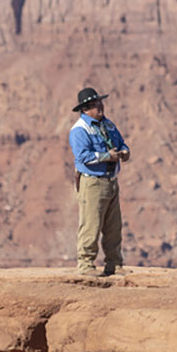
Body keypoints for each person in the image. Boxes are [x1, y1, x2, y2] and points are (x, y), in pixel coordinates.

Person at [68, 87, 129, 276]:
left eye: (100, 102)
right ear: (85, 109)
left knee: (113, 226)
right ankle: (85, 263)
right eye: (95, 104)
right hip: (93, 182)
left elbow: (120, 142)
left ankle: (114, 263)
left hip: (111, 181)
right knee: (91, 223)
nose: (100, 107)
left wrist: (125, 151)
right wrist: (106, 156)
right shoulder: (80, 130)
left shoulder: (108, 125)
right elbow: (82, 157)